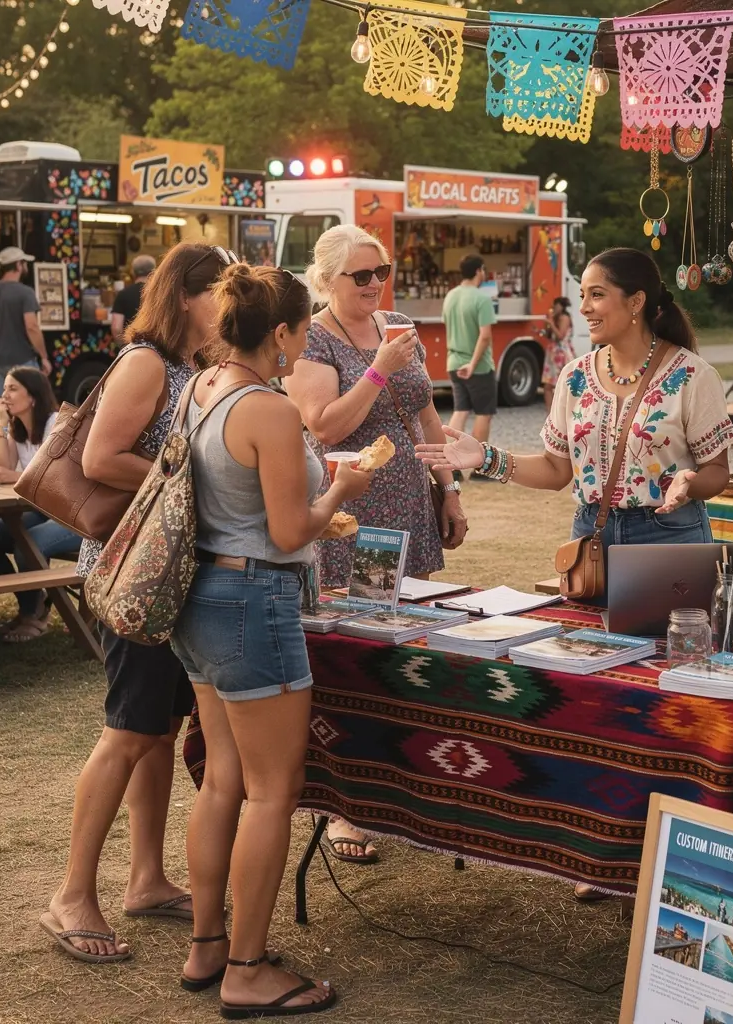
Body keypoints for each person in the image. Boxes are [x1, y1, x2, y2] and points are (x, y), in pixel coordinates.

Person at [415, 249, 733, 897]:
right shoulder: (575, 378)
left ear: (637, 302)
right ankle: (603, 852)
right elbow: (558, 471)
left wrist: (686, 483)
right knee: (595, 701)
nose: (583, 307)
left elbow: (719, 473)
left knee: (668, 705)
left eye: (596, 295)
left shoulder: (691, 375)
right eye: (583, 295)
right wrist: (488, 460)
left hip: (668, 541)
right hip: (591, 540)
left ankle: (666, 856)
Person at [172, 264, 360, 1017]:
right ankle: (247, 970)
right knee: (270, 794)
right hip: (254, 598)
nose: (308, 339)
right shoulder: (270, 410)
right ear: (279, 333)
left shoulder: (200, 388)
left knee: (223, 779)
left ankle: (208, 945)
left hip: (201, 597)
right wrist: (339, 494)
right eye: (305, 327)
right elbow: (289, 530)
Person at [41, 242, 231, 964]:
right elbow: (99, 460)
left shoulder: (197, 368)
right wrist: (188, 474)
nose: (230, 303)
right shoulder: (146, 361)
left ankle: (145, 878)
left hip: (169, 571)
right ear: (185, 294)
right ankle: (71, 895)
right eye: (221, 290)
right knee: (127, 730)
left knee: (157, 728)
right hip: (133, 571)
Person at [288, 223, 468, 864]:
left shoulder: (393, 322)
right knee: (352, 657)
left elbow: (424, 412)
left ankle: (406, 783)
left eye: (380, 271)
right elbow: (323, 422)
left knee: (412, 645)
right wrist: (378, 369)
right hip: (350, 513)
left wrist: (448, 486)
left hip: (410, 507)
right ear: (327, 280)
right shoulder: (310, 337)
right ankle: (342, 807)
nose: (373, 284)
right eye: (360, 275)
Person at [0, 366, 82, 642]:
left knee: (28, 545)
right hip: (40, 509)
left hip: (74, 514)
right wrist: (1, 423)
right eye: (4, 387)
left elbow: (61, 479)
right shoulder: (17, 427)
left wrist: (15, 476)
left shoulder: (58, 422)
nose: (4, 394)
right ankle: (32, 602)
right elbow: (0, 467)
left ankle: (34, 617)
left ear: (33, 396)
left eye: (12, 388)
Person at [0, 246, 52, 399]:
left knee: (4, 408)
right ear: (18, 265)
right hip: (22, 360)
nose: (25, 266)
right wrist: (44, 357)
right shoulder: (26, 292)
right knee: (29, 408)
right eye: (24, 263)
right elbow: (31, 326)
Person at [443, 254, 497, 456]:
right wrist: (473, 365)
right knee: (484, 413)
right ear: (478, 271)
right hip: (478, 366)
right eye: (483, 270)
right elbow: (484, 337)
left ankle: (452, 460)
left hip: (453, 362)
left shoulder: (451, 296)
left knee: (460, 410)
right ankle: (478, 464)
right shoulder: (482, 298)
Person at [541, 296, 575, 410]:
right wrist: (547, 325)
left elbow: (561, 336)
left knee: (564, 384)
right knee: (547, 385)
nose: (554, 308)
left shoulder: (565, 318)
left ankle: (564, 411)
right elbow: (550, 335)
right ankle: (550, 414)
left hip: (562, 354)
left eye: (556, 306)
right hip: (553, 354)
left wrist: (551, 323)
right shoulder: (555, 318)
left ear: (561, 306)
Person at [111, 254, 156, 341]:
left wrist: (125, 348)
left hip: (132, 345)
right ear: (154, 272)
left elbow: (116, 328)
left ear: (133, 272)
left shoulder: (123, 294)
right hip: (156, 349)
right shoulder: (161, 294)